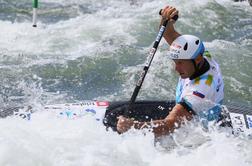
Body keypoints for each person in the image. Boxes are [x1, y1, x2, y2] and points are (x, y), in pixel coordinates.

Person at [116, 5, 224, 137]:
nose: (176, 68)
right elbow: (168, 33)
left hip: (193, 134)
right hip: (190, 113)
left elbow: (169, 125)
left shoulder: (198, 93)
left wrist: (133, 127)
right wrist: (166, 20)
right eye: (175, 62)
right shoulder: (202, 55)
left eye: (180, 63)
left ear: (197, 60)